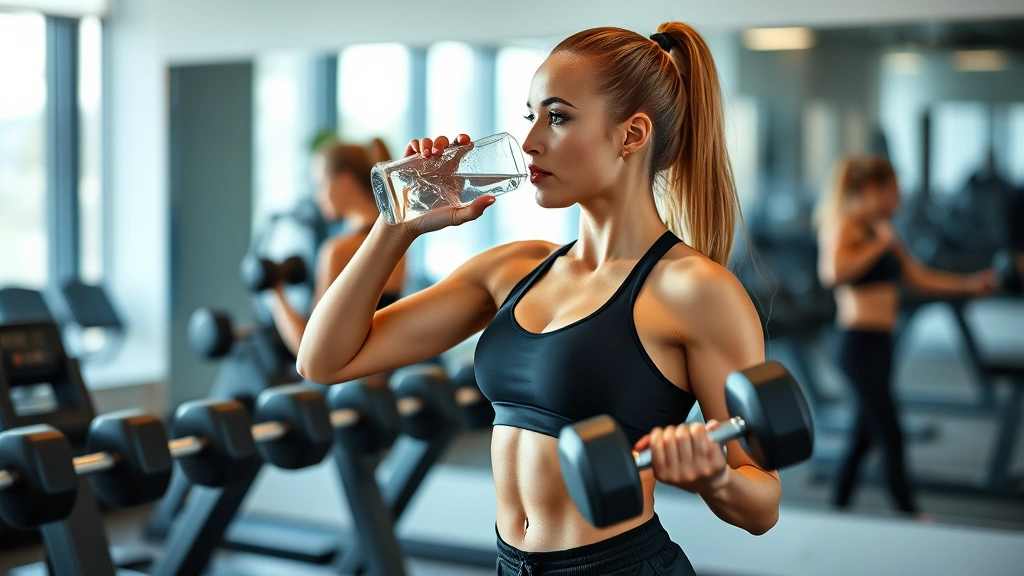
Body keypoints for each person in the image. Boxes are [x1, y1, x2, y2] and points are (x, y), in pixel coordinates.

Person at [299, 23, 780, 575]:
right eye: (531, 116)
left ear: (631, 134)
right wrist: (396, 227)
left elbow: (763, 501)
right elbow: (323, 360)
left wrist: (713, 476)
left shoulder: (698, 291)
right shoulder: (514, 268)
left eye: (557, 116)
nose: (528, 142)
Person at [815, 156, 998, 516]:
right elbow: (832, 273)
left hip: (881, 344)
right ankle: (911, 514)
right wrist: (879, 245)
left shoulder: (882, 230)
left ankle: (836, 512)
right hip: (856, 344)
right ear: (871, 191)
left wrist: (967, 285)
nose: (897, 203)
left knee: (862, 437)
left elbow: (918, 276)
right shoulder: (844, 225)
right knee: (890, 432)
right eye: (893, 194)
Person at [271, 138, 406, 363]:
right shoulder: (398, 238)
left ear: (344, 181)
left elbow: (310, 349)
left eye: (321, 184)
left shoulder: (337, 251)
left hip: (340, 382)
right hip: (380, 375)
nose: (317, 197)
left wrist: (275, 291)